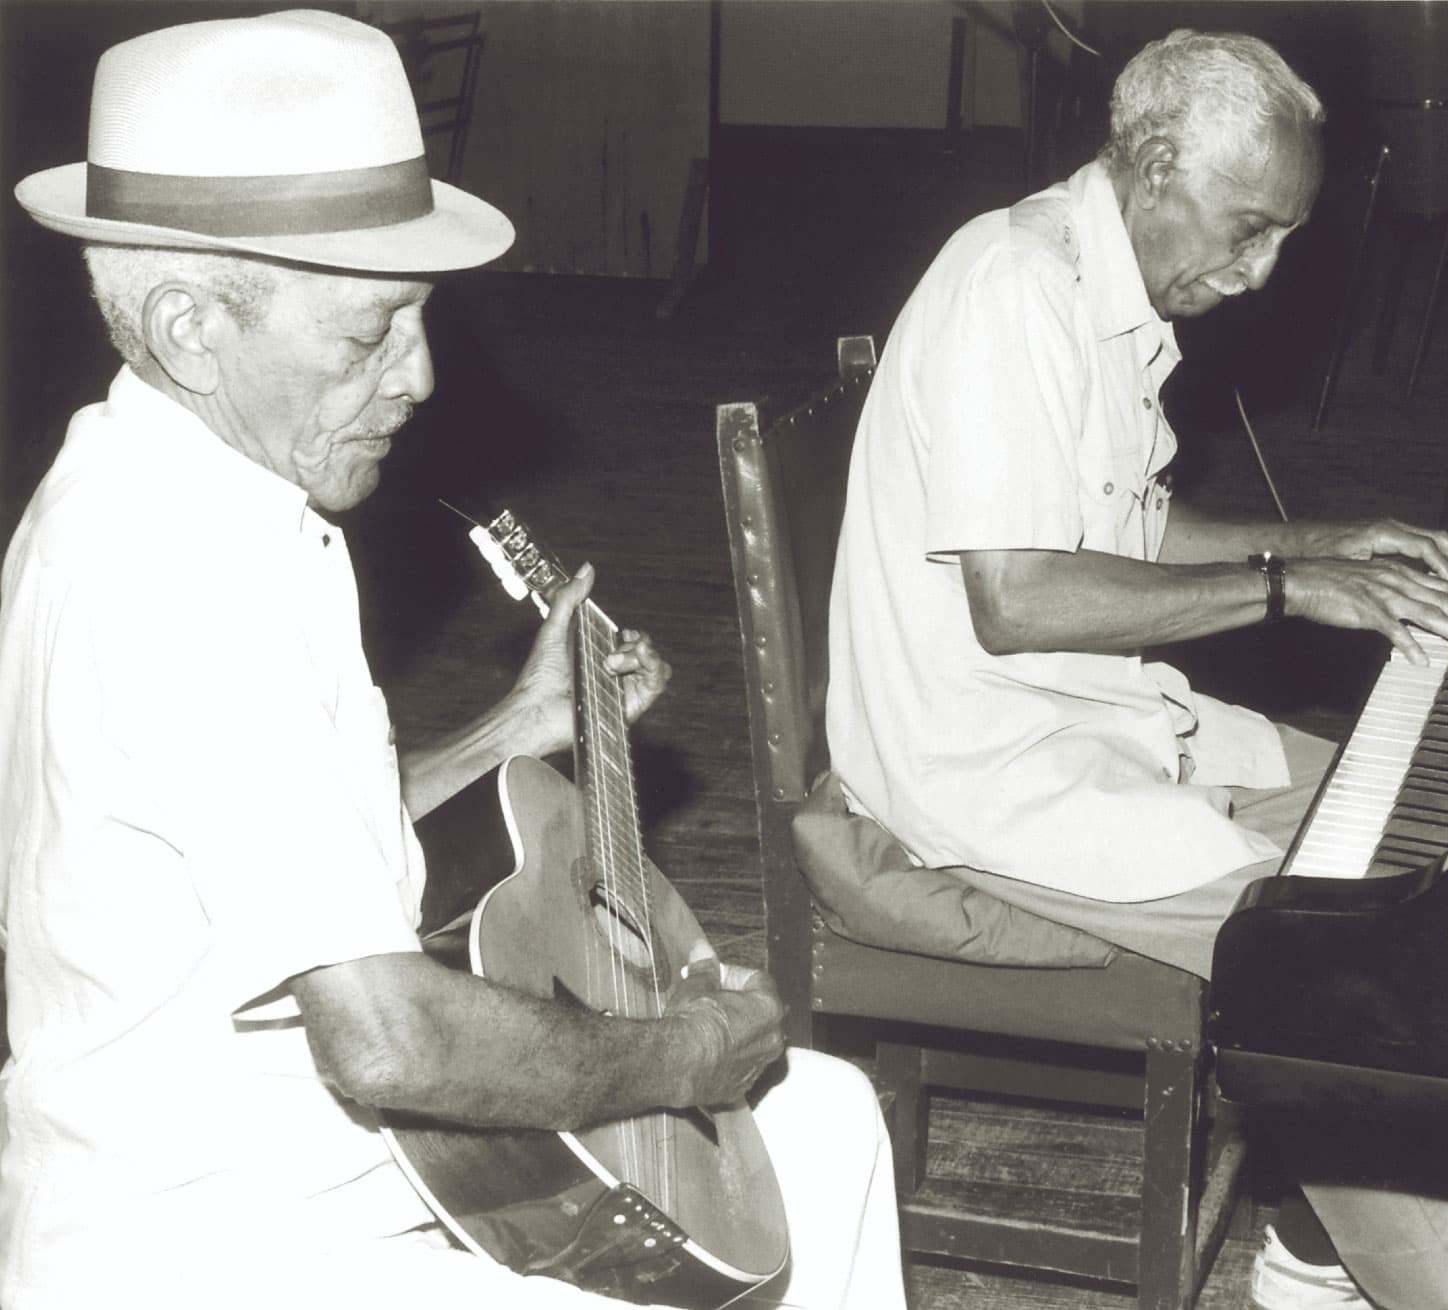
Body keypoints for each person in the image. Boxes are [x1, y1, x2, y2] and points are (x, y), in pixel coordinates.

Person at [0, 12, 902, 1310]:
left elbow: (270, 840)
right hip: (218, 1245)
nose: (417, 375)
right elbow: (386, 1035)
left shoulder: (167, 486)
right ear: (192, 327)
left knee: (826, 1122)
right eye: (369, 332)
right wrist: (684, 1048)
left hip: (317, 1173)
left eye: (418, 319)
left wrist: (506, 730)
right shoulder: (185, 576)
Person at [826, 27, 1448, 1310]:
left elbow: (1128, 529)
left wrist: (1318, 539)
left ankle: (1408, 1193)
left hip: (1095, 720)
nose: (1262, 271)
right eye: (1250, 227)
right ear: (1156, 164)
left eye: (1284, 237)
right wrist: (1287, 587)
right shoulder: (1014, 286)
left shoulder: (1108, 291)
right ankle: (1327, 1258)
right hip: (983, 765)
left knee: (1434, 817)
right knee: (1338, 940)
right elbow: (1018, 597)